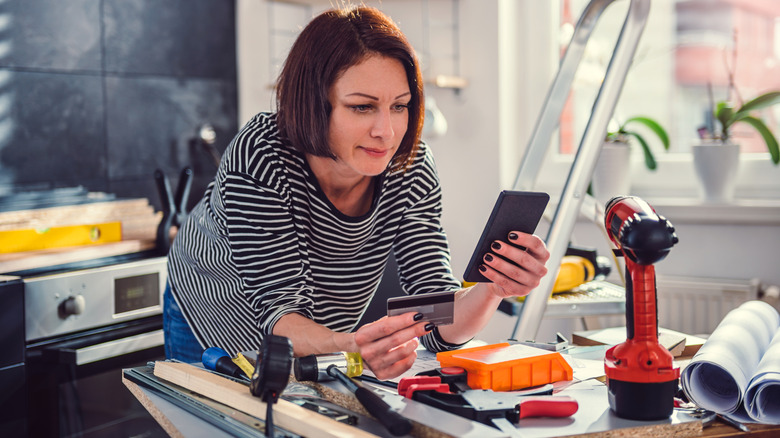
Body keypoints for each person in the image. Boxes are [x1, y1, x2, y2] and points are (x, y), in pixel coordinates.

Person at [163, 5, 550, 380]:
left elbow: (433, 314)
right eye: (363, 107)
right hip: (212, 309)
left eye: (399, 106)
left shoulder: (409, 164)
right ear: (315, 104)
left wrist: (492, 288)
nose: (387, 131)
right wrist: (350, 348)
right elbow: (279, 315)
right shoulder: (262, 155)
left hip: (319, 332)